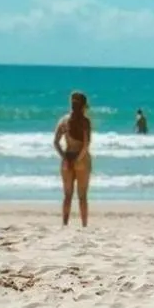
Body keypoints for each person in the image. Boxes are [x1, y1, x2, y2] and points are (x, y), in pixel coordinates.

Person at [53, 91, 92, 227]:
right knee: (82, 196)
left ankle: (65, 224)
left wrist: (65, 157)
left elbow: (56, 142)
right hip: (82, 160)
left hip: (67, 158)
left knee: (67, 196)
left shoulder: (63, 120)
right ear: (83, 105)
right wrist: (78, 159)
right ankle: (84, 225)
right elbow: (86, 144)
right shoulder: (85, 121)